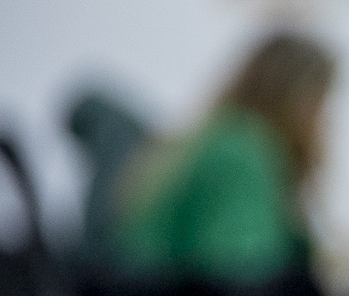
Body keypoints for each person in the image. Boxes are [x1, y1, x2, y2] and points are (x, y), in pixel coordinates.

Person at [115, 30, 334, 283]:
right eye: (323, 106)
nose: (325, 125)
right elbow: (244, 285)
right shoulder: (242, 153)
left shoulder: (218, 135)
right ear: (299, 105)